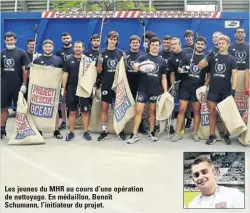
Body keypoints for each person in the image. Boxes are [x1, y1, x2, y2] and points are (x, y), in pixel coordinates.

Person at [127, 37, 168, 144]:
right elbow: (135, 66)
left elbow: (163, 77)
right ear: (149, 45)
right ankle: (134, 134)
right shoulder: (143, 57)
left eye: (157, 45)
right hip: (142, 89)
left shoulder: (162, 61)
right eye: (153, 44)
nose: (155, 47)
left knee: (152, 112)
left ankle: (151, 132)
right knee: (138, 111)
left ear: (160, 47)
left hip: (155, 90)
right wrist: (139, 66)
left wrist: (166, 91)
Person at [198, 35, 237, 145]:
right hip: (213, 90)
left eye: (223, 43)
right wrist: (207, 58)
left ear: (228, 44)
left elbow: (234, 75)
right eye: (219, 43)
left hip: (226, 90)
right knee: (212, 113)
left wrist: (233, 89)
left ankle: (226, 134)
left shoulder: (232, 59)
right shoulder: (213, 56)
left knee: (225, 114)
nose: (220, 45)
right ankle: (211, 135)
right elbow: (199, 66)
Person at [171, 37, 210, 142]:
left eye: (202, 44)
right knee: (181, 110)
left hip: (197, 90)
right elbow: (179, 69)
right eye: (198, 44)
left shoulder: (206, 59)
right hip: (185, 87)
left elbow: (209, 75)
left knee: (196, 112)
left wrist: (205, 86)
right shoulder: (187, 56)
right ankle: (178, 132)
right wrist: (183, 69)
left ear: (205, 46)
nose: (200, 46)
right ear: (195, 45)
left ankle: (195, 133)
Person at [62, 41, 93, 141]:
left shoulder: (88, 60)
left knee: (85, 111)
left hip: (83, 89)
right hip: (71, 89)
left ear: (83, 48)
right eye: (76, 47)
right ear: (74, 48)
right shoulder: (69, 59)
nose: (78, 48)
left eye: (79, 47)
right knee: (72, 112)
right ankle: (71, 132)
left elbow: (92, 75)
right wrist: (63, 87)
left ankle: (85, 131)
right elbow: (65, 74)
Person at [96, 31, 125, 141]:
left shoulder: (121, 54)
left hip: (118, 85)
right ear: (107, 39)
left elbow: (124, 70)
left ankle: (120, 130)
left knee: (118, 109)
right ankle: (104, 131)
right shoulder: (102, 53)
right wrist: (99, 63)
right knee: (104, 108)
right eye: (111, 38)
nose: (112, 40)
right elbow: (99, 71)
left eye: (114, 39)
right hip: (106, 84)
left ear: (117, 41)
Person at [1, 32, 29, 139]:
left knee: (20, 109)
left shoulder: (21, 53)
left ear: (15, 40)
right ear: (5, 41)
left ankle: (20, 130)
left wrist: (24, 84)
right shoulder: (1, 53)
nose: (9, 42)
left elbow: (25, 70)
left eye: (11, 40)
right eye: (7, 40)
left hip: (18, 86)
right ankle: (2, 129)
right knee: (3, 108)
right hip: (4, 86)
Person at [33, 39, 64, 139]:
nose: (48, 48)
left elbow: (62, 74)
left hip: (54, 89)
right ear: (43, 48)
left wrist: (63, 86)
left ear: (53, 47)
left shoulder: (58, 59)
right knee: (40, 110)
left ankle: (56, 130)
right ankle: (39, 130)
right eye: (46, 46)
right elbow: (34, 74)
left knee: (54, 109)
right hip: (41, 90)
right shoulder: (37, 60)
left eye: (50, 46)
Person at [124, 35, 146, 134]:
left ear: (139, 43)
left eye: (137, 42)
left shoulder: (143, 54)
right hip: (128, 84)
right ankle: (125, 128)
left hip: (140, 84)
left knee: (139, 108)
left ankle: (140, 126)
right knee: (126, 107)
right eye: (133, 42)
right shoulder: (125, 54)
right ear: (130, 44)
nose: (135, 44)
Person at [168, 37, 190, 136]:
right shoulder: (171, 58)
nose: (173, 46)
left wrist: (185, 69)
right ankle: (180, 129)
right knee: (182, 108)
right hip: (181, 85)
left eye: (175, 44)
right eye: (172, 44)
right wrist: (173, 87)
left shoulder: (187, 55)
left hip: (192, 83)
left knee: (193, 109)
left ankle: (193, 128)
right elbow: (172, 74)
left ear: (180, 44)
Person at [56, 32, 75, 131]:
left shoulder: (75, 50)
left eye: (67, 38)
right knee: (63, 101)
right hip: (63, 79)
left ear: (70, 38)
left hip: (74, 79)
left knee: (77, 100)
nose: (66, 40)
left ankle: (76, 121)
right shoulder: (59, 52)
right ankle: (63, 121)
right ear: (61, 40)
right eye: (64, 38)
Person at [159, 35, 175, 134]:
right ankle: (159, 124)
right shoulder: (159, 54)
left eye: (168, 42)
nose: (166, 44)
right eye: (164, 42)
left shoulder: (174, 54)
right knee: (160, 103)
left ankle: (171, 125)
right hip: (160, 82)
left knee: (171, 104)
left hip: (172, 82)